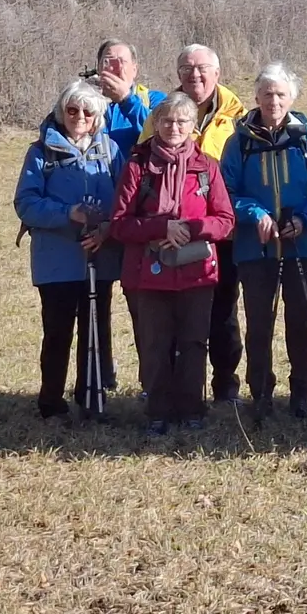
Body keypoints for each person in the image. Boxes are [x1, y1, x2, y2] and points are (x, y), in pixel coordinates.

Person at [111, 93, 236, 437]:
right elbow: (120, 223)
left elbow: (225, 221)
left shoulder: (207, 167)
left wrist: (190, 230)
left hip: (196, 269)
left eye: (182, 121)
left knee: (194, 342)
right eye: (167, 121)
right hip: (148, 272)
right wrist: (160, 227)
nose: (174, 128)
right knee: (155, 343)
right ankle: (157, 411)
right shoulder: (138, 166)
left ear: (193, 127)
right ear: (156, 124)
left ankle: (192, 408)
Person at [222, 63, 307, 421]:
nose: (274, 100)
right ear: (255, 97)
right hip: (254, 248)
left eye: (281, 94)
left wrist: (303, 218)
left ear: (292, 98)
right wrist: (254, 213)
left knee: (300, 319)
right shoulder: (238, 141)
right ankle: (261, 393)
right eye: (267, 93)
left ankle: (301, 392)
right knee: (259, 323)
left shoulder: (305, 137)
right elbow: (227, 191)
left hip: (299, 245)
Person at [141, 43, 248, 404]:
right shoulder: (161, 114)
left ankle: (224, 383)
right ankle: (173, 387)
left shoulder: (237, 116)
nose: (195, 75)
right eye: (187, 69)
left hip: (221, 234)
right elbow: (142, 163)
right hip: (165, 237)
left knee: (223, 312)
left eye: (202, 68)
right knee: (170, 317)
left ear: (217, 74)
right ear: (177, 75)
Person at [14, 79, 124, 420]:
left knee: (96, 328)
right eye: (72, 110)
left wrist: (107, 229)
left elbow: (124, 200)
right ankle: (51, 403)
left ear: (97, 117)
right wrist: (68, 214)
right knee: (58, 331)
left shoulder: (111, 151)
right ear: (62, 112)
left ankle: (91, 396)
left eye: (87, 111)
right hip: (57, 260)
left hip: (100, 257)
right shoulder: (41, 152)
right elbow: (26, 202)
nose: (79, 116)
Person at [93, 39, 164, 154]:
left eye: (122, 62)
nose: (116, 69)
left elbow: (163, 132)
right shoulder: (84, 103)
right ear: (99, 68)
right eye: (108, 62)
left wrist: (126, 100)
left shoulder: (154, 100)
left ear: (134, 70)